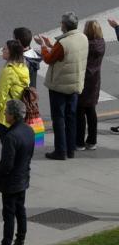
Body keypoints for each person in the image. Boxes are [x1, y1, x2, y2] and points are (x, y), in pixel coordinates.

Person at [0, 99, 35, 245]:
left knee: (9, 214)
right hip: (23, 177)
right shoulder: (29, 130)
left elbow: (6, 164)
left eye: (6, 112)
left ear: (13, 116)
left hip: (11, 181)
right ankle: (19, 241)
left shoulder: (10, 136)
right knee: (20, 210)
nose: (4, 114)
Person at [37, 12, 88, 160]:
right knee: (71, 117)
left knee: (59, 118)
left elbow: (49, 58)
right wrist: (50, 45)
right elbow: (66, 54)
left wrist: (43, 46)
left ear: (64, 26)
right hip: (75, 84)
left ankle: (60, 151)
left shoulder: (64, 43)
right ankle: (70, 150)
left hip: (59, 86)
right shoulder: (83, 38)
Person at [75, 19, 108, 151]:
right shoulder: (102, 43)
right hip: (95, 80)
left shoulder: (85, 45)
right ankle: (92, 140)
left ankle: (79, 142)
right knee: (91, 110)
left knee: (80, 111)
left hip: (83, 79)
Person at [0, 39, 31, 138]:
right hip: (18, 114)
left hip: (6, 116)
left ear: (11, 52)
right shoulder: (24, 68)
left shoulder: (8, 71)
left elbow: (1, 95)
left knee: (7, 148)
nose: (2, 50)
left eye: (4, 49)